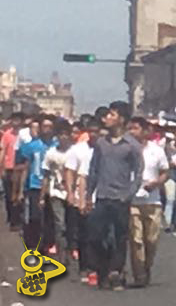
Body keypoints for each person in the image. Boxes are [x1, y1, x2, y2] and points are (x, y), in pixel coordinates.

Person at [86, 101, 144, 291]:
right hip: (102, 196)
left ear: (121, 119)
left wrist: (129, 194)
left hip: (120, 198)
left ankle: (116, 272)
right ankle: (103, 268)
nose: (107, 119)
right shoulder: (101, 143)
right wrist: (88, 194)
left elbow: (138, 172)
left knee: (120, 237)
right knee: (96, 236)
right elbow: (93, 169)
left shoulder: (132, 146)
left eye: (111, 115)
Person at [126, 117, 168, 288]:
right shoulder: (126, 149)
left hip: (152, 201)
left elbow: (165, 172)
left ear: (144, 131)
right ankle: (139, 275)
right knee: (136, 240)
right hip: (132, 201)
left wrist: (156, 183)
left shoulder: (156, 151)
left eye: (135, 128)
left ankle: (147, 267)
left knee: (151, 239)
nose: (132, 132)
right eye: (130, 128)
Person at [15, 116, 58, 251]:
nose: (47, 129)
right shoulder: (32, 146)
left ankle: (49, 243)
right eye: (45, 126)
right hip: (34, 185)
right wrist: (21, 190)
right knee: (35, 218)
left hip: (52, 187)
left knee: (51, 218)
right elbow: (26, 167)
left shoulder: (56, 146)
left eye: (50, 127)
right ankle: (33, 244)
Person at [64, 116, 98, 284]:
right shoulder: (78, 150)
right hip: (83, 197)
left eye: (97, 132)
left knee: (101, 235)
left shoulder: (105, 149)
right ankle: (85, 267)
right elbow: (70, 172)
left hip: (104, 197)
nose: (94, 135)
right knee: (84, 234)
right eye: (91, 132)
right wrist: (71, 193)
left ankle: (100, 266)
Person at [40, 121, 73, 265]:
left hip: (73, 194)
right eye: (61, 135)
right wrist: (42, 196)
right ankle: (62, 255)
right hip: (56, 193)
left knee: (73, 225)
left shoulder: (75, 152)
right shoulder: (51, 153)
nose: (63, 138)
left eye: (66, 135)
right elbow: (46, 176)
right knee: (60, 224)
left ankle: (72, 250)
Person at [1, 113, 24, 230]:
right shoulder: (7, 135)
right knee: (9, 195)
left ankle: (17, 219)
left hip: (20, 169)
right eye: (14, 120)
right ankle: (12, 218)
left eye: (18, 120)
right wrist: (2, 167)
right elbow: (3, 151)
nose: (16, 122)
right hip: (9, 168)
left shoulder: (24, 135)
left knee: (19, 195)